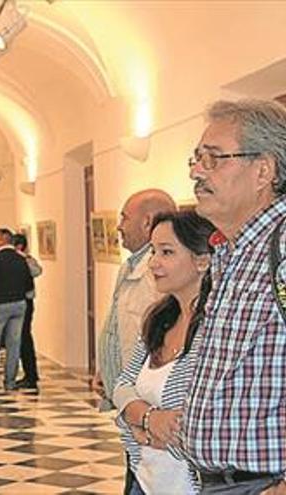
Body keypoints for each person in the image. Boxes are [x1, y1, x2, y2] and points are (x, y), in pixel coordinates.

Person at [183, 99, 286, 494]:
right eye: (196, 158)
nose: (196, 171)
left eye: (213, 159)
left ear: (263, 171)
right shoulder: (231, 253)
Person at [113, 211, 215, 495]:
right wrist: (148, 419)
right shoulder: (159, 319)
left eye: (166, 252)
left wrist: (139, 420)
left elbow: (198, 420)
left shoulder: (216, 330)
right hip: (144, 480)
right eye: (153, 251)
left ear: (202, 260)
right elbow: (122, 387)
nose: (153, 263)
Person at [92, 189, 176, 410]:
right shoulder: (129, 266)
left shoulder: (159, 270)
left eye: (125, 217)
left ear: (147, 222)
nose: (119, 226)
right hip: (126, 394)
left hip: (144, 397)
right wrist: (106, 369)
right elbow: (119, 326)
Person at [0, 228, 33, 391]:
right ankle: (10, 382)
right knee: (14, 344)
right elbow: (29, 283)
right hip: (18, 304)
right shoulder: (20, 259)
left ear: (3, 240)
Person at [12, 233, 42, 389]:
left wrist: (22, 258)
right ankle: (26, 373)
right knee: (18, 338)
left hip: (25, 301)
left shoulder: (27, 260)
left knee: (24, 337)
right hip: (15, 301)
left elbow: (37, 271)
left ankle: (31, 375)